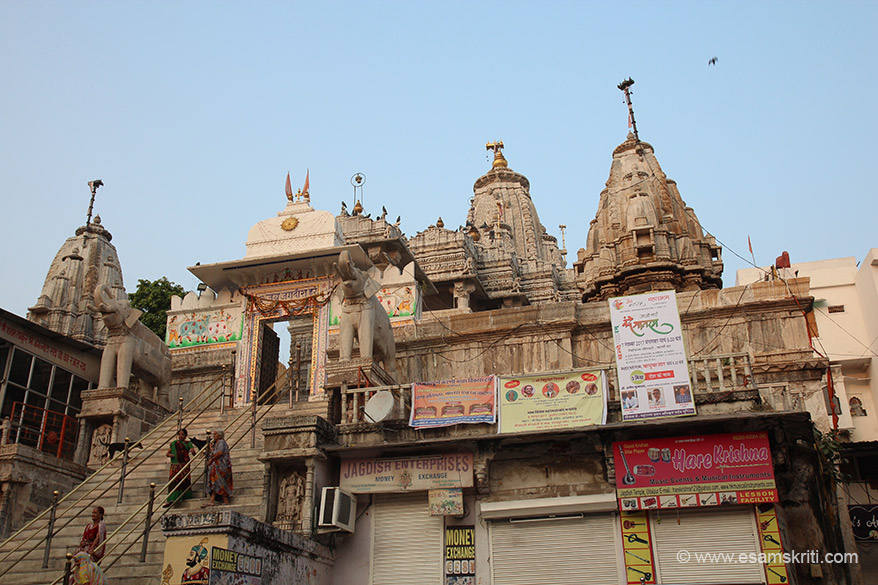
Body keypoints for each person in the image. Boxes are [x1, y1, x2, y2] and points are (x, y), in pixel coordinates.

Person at [165, 428, 196, 508]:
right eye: (179, 434)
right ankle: (171, 499)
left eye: (183, 434)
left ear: (185, 436)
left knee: (184, 481)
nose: (181, 436)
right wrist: (170, 455)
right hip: (175, 465)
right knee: (174, 482)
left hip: (184, 465)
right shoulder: (174, 443)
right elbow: (167, 453)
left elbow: (194, 454)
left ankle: (184, 496)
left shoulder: (188, 443)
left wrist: (192, 451)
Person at [203, 429, 233, 507]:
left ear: (219, 436)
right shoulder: (217, 444)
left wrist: (212, 459)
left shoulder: (221, 442)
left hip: (221, 466)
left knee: (221, 482)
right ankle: (212, 501)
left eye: (215, 434)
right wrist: (211, 448)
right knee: (214, 482)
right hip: (216, 466)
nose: (214, 436)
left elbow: (220, 453)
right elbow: (215, 452)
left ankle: (226, 500)